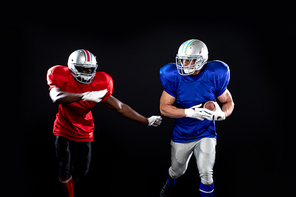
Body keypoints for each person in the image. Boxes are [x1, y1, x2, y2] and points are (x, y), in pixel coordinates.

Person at [46, 49, 162, 197]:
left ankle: (72, 187)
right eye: (82, 69)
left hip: (85, 130)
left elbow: (120, 107)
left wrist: (146, 120)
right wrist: (84, 95)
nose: (86, 73)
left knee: (82, 170)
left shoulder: (101, 82)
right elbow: (56, 96)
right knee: (63, 167)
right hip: (63, 127)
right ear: (71, 68)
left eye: (90, 70)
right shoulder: (59, 74)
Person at [159, 39, 234, 197]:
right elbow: (164, 108)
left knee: (207, 174)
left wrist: (223, 114)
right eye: (182, 59)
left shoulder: (214, 74)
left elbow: (228, 102)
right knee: (177, 171)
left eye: (189, 59)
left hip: (206, 132)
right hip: (182, 134)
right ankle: (170, 182)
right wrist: (188, 112)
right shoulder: (173, 76)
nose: (184, 63)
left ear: (202, 60)